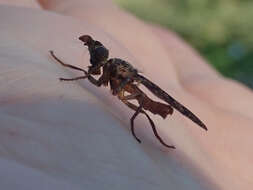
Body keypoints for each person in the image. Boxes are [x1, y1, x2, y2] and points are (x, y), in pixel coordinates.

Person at [0, 0, 252, 189]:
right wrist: (74, 62)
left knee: (142, 109)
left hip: (146, 99)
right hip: (132, 92)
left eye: (95, 61)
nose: (93, 64)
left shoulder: (117, 73)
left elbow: (108, 82)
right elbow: (96, 76)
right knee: (135, 102)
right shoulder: (108, 67)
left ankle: (151, 130)